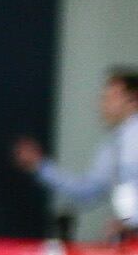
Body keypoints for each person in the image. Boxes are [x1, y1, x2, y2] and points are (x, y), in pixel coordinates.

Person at [16, 67, 138, 242]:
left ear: (133, 100)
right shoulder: (113, 147)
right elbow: (88, 190)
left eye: (110, 98)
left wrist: (133, 223)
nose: (102, 104)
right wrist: (40, 166)